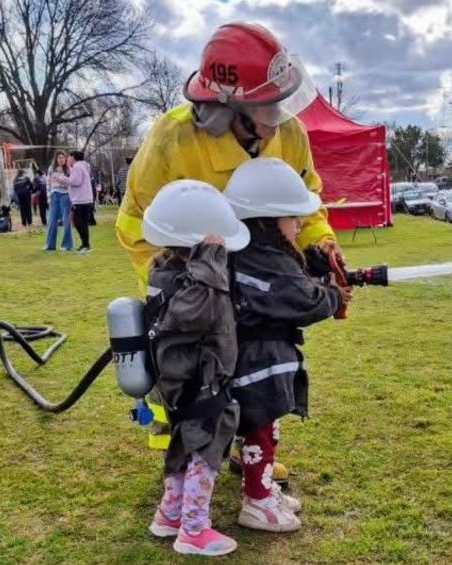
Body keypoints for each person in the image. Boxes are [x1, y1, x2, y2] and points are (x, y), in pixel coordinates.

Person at [115, 22, 342, 484]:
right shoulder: (171, 140)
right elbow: (140, 226)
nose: (279, 114)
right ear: (224, 110)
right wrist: (185, 290)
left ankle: (249, 449)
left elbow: (306, 201)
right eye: (267, 105)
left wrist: (320, 242)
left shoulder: (290, 133)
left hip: (255, 277)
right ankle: (182, 465)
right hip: (191, 276)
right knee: (190, 371)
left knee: (254, 362)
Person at [223, 158, 351, 532]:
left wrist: (314, 261)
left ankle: (262, 488)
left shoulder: (256, 253)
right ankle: (257, 501)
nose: (299, 225)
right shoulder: (262, 259)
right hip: (256, 362)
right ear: (267, 220)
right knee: (259, 429)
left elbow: (289, 281)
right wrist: (332, 296)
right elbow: (301, 300)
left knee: (266, 428)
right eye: (293, 217)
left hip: (259, 360)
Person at [144, 180, 249, 556]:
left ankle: (169, 513)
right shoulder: (199, 286)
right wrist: (211, 263)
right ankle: (192, 529)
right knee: (206, 450)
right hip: (200, 385)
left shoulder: (164, 274)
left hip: (179, 382)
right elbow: (202, 314)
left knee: (182, 446)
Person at [57, 151, 94, 253]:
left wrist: (63, 179)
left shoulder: (77, 167)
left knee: (79, 223)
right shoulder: (82, 166)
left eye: (69, 157)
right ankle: (84, 244)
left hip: (81, 199)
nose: (67, 159)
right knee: (79, 223)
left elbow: (76, 182)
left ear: (73, 157)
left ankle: (86, 245)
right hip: (84, 199)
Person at [45, 152, 74, 251]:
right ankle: (50, 245)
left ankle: (66, 245)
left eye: (63, 158)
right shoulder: (51, 169)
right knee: (52, 220)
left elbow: (70, 184)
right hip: (54, 195)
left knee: (66, 221)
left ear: (65, 159)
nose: (61, 159)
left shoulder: (68, 169)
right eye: (59, 158)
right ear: (56, 159)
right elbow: (48, 184)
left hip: (65, 195)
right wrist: (48, 197)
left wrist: (61, 180)